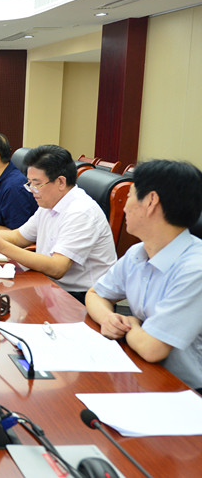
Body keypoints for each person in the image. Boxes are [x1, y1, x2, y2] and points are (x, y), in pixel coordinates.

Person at [86, 160, 202, 392]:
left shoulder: (194, 268)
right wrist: (109, 319)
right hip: (144, 372)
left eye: (129, 196)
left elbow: (152, 349)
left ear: (151, 202)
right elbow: (95, 294)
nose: (124, 207)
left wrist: (131, 323)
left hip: (186, 390)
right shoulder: (138, 252)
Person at [0, 145, 116, 302]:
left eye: (37, 184)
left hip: (82, 297)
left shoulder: (81, 212)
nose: (32, 190)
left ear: (61, 182)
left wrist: (1, 247)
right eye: (29, 183)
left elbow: (58, 268)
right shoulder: (49, 203)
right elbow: (18, 237)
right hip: (49, 285)